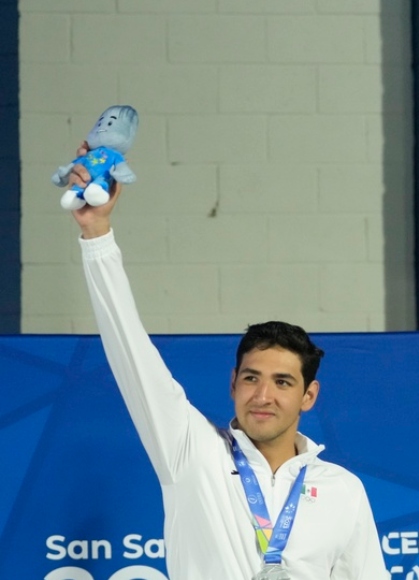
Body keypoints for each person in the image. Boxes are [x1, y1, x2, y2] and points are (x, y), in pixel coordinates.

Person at [67, 148, 388, 579]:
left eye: (282, 382)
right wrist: (97, 233)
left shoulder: (342, 490)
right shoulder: (191, 452)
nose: (263, 395)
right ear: (234, 382)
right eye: (252, 378)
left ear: (308, 396)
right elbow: (130, 349)